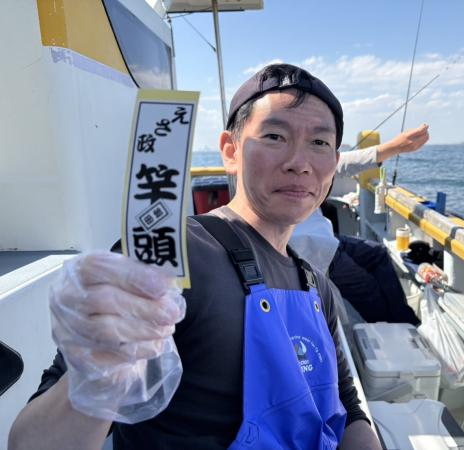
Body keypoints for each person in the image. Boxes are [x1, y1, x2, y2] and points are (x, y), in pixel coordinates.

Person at [8, 64, 382, 450]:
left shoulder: (317, 285)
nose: (299, 162)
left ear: (335, 163)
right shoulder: (175, 257)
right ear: (231, 151)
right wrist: (100, 365)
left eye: (319, 143)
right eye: (274, 136)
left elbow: (348, 409)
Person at [289, 125, 429, 325]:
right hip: (313, 252)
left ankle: (406, 320)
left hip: (329, 239)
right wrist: (395, 147)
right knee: (369, 290)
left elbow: (338, 164)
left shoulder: (302, 162)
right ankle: (391, 327)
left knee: (378, 253)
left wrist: (395, 147)